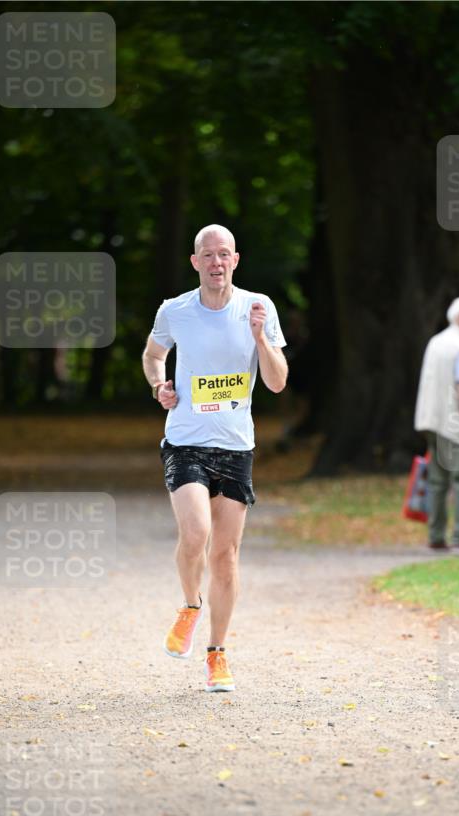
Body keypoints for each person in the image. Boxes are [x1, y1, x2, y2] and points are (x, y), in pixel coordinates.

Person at [142, 224, 288, 692]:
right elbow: (152, 353)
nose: (217, 262)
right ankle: (190, 605)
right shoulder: (176, 310)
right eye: (208, 255)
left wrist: (261, 338)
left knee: (225, 556)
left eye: (224, 254)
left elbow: (278, 382)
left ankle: (217, 654)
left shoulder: (258, 308)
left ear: (236, 260)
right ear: (196, 262)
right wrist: (158, 384)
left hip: (235, 445)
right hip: (185, 439)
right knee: (196, 533)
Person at [414, 297, 459, 554]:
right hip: (452, 423)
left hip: (429, 420)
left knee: (437, 480)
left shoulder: (436, 341)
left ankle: (435, 536)